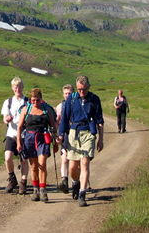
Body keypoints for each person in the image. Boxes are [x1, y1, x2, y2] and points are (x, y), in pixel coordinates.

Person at [58, 75, 104, 207]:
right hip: (74, 133)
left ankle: (82, 193)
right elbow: (64, 119)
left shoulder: (94, 99)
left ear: (88, 87)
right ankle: (75, 182)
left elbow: (100, 121)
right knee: (72, 166)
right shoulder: (71, 99)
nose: (81, 92)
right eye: (79, 89)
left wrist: (101, 139)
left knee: (84, 163)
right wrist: (61, 135)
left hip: (89, 133)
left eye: (83, 89)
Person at [17, 88, 57, 203]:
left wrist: (55, 142)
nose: (35, 103)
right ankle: (35, 190)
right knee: (34, 166)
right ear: (30, 100)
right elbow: (19, 127)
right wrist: (19, 143)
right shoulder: (26, 109)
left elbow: (53, 126)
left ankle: (43, 189)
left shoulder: (47, 110)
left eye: (38, 100)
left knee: (42, 164)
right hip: (29, 139)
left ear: (41, 99)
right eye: (33, 100)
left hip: (43, 138)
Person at [0, 77, 30, 194]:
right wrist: (7, 119)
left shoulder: (27, 102)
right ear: (12, 88)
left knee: (24, 159)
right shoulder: (8, 102)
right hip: (11, 133)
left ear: (22, 87)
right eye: (15, 87)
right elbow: (4, 119)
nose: (17, 89)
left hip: (24, 134)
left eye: (19, 87)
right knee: (8, 157)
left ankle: (24, 181)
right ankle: (12, 178)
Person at [56, 84, 73, 193]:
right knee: (64, 158)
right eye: (66, 93)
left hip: (75, 133)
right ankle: (64, 179)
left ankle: (76, 181)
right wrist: (58, 134)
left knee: (76, 160)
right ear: (63, 94)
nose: (67, 95)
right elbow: (57, 122)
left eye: (69, 93)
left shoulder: (76, 104)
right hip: (65, 133)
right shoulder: (60, 106)